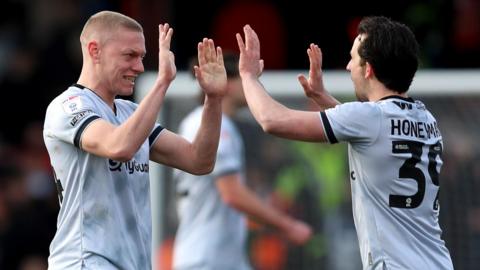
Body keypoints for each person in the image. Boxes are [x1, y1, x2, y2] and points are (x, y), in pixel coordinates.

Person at [236, 16, 454, 270]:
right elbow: (372, 135)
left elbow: (271, 120)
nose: (349, 66)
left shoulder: (370, 118)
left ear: (369, 69)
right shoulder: (425, 118)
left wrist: (248, 77)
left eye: (353, 59)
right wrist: (322, 97)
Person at [43, 11, 227, 270]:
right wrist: (163, 82)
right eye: (129, 56)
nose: (139, 67)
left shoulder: (129, 112)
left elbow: (199, 160)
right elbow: (119, 146)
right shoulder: (68, 106)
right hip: (84, 262)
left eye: (142, 57)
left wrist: (214, 99)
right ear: (95, 51)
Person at [172, 52, 312, 270]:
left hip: (221, 259)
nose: (251, 87)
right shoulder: (213, 126)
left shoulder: (217, 124)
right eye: (245, 79)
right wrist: (288, 225)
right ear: (227, 83)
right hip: (207, 260)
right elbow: (232, 193)